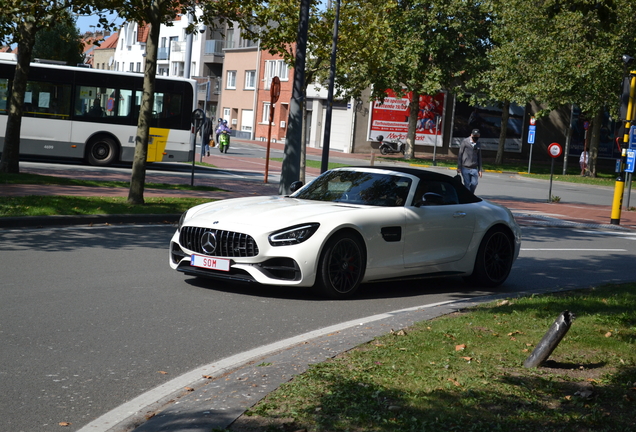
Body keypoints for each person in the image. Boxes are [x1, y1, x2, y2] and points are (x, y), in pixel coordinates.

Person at [457, 128, 482, 193]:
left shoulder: (478, 143)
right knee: (467, 184)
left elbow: (479, 157)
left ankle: (470, 194)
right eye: (474, 136)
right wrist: (459, 167)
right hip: (465, 167)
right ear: (471, 135)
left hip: (474, 168)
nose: (476, 137)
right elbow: (460, 154)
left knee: (474, 183)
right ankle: (468, 197)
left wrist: (480, 169)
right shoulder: (465, 142)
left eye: (477, 136)